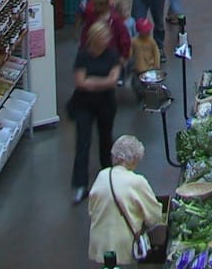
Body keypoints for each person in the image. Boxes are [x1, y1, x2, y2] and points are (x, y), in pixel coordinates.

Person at [88, 134, 165, 265]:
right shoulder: (137, 181)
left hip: (99, 243)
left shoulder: (102, 175)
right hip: (123, 246)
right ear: (135, 159)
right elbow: (154, 216)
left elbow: (91, 210)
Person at [70, 22, 122, 205]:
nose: (107, 39)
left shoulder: (112, 55)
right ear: (95, 38)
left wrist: (93, 82)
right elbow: (80, 82)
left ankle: (108, 180)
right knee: (82, 143)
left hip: (106, 104)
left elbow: (113, 80)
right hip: (84, 104)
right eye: (104, 36)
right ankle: (79, 185)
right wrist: (103, 81)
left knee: (106, 140)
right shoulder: (83, 55)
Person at [79, 0, 131, 70]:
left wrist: (124, 55)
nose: (94, 7)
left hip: (112, 54)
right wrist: (83, 48)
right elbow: (86, 33)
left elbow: (124, 38)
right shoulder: (92, 17)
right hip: (95, 53)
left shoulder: (115, 19)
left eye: (96, 5)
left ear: (105, 4)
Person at [128, 18, 161, 100]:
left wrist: (156, 64)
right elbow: (129, 53)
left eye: (148, 31)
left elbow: (156, 52)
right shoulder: (134, 41)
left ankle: (149, 96)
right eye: (145, 31)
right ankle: (140, 95)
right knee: (136, 84)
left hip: (149, 68)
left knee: (149, 85)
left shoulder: (151, 41)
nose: (148, 33)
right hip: (137, 69)